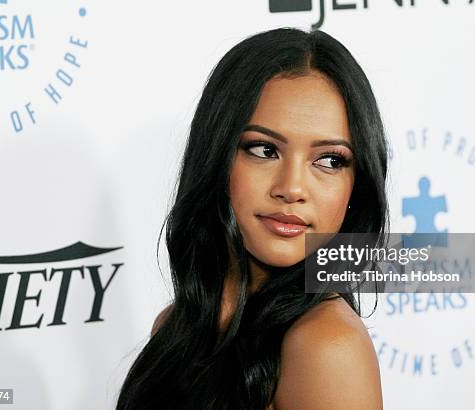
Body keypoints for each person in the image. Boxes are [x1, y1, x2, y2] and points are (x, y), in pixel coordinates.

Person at [116, 27, 389, 409]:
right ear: (218, 154)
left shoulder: (325, 345)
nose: (292, 187)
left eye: (329, 161)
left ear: (355, 187)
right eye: (264, 150)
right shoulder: (176, 325)